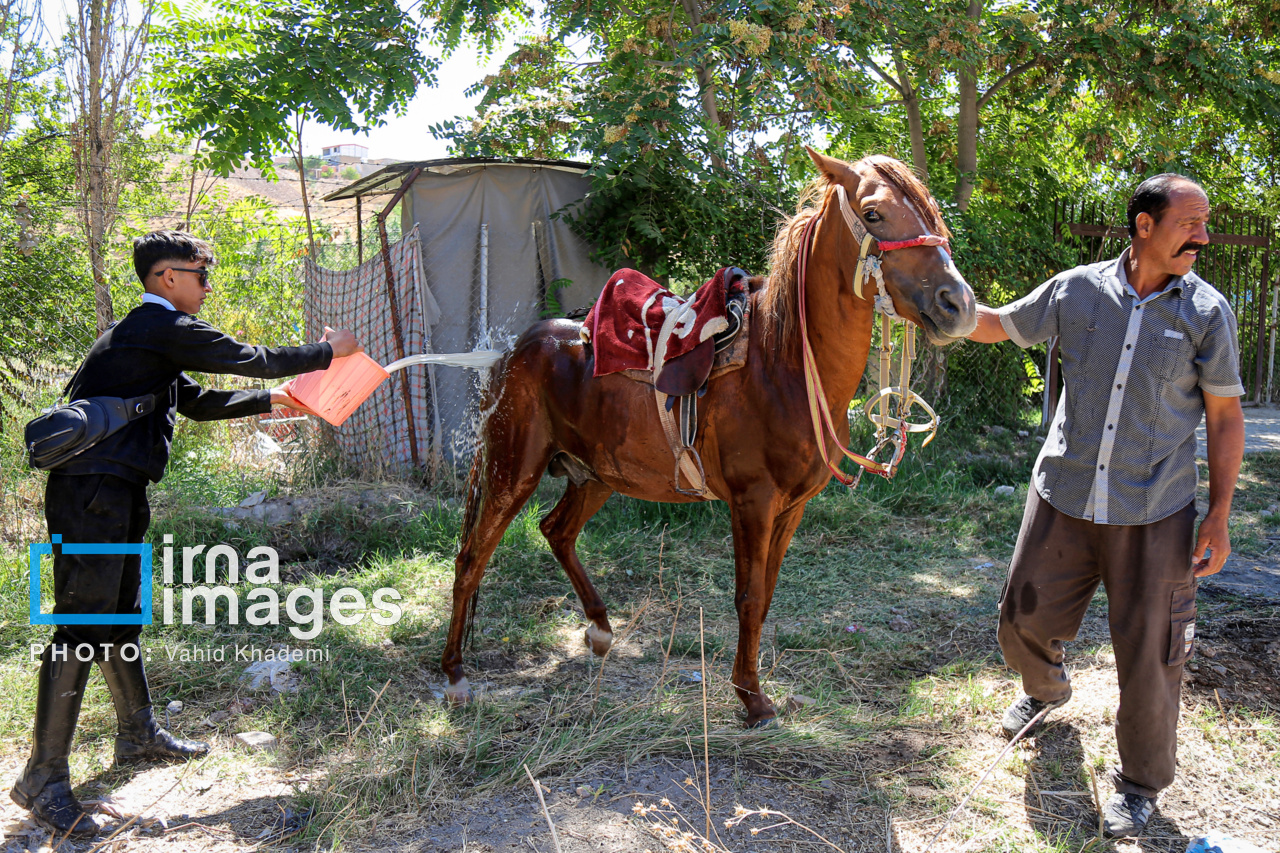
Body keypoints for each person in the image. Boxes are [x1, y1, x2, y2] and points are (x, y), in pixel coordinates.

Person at [12, 230, 362, 837]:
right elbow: (243, 354)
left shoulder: (151, 342)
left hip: (114, 488)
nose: (206, 285)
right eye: (199, 275)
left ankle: (137, 733)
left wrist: (275, 398)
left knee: (119, 617)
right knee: (82, 625)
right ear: (164, 278)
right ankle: (42, 778)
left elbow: (196, 404)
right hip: (93, 490)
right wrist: (326, 354)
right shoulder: (155, 324)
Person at [967, 174, 1245, 838]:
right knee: (1018, 621)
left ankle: (1141, 784)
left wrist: (1219, 514)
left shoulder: (1208, 312)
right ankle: (1044, 689)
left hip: (1156, 509)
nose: (1202, 237)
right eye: (1189, 223)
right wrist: (929, 304)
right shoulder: (1076, 290)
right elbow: (999, 323)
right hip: (1063, 494)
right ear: (1144, 226)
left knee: (1153, 657)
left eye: (1206, 224)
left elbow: (1226, 416)